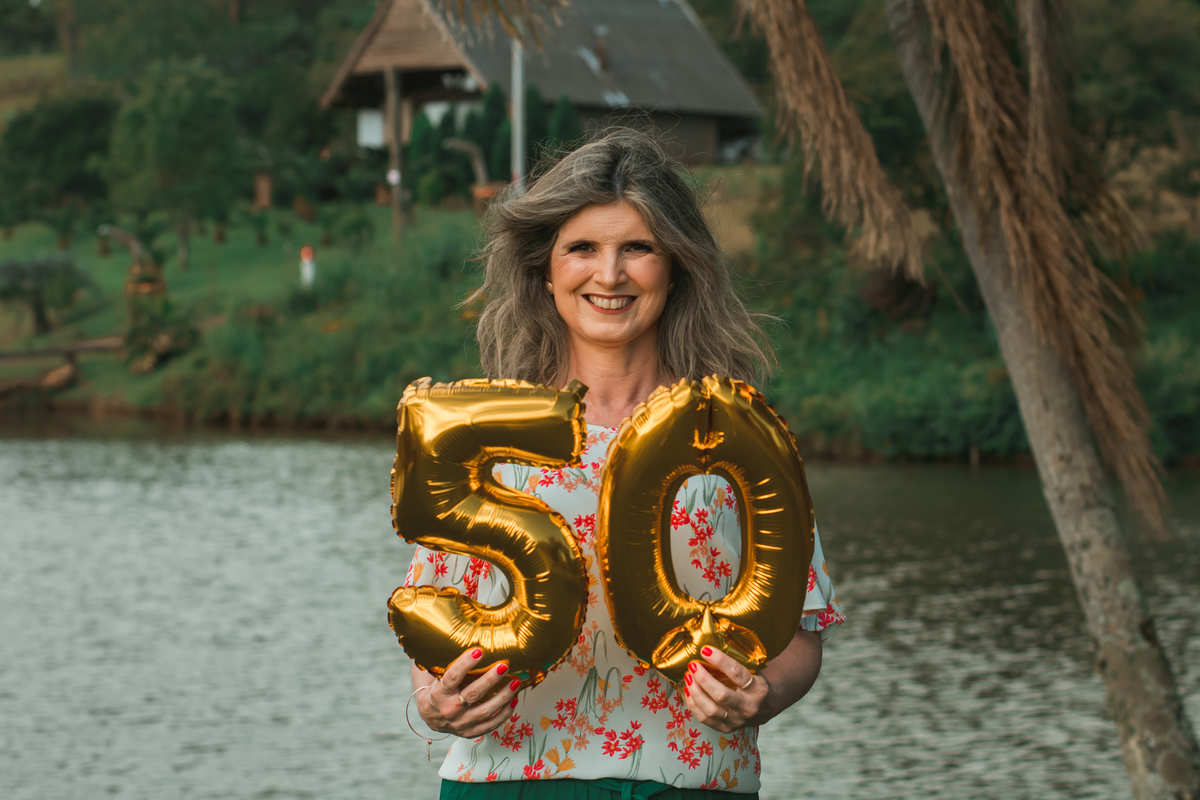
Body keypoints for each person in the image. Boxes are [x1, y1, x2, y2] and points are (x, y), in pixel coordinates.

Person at [402, 128, 845, 799]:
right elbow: (432, 612)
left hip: (689, 783)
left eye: (637, 248)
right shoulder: (483, 437)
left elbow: (802, 631)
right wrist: (433, 707)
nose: (608, 275)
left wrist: (763, 695)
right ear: (545, 268)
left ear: (675, 265)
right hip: (508, 782)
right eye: (582, 247)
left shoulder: (734, 436)